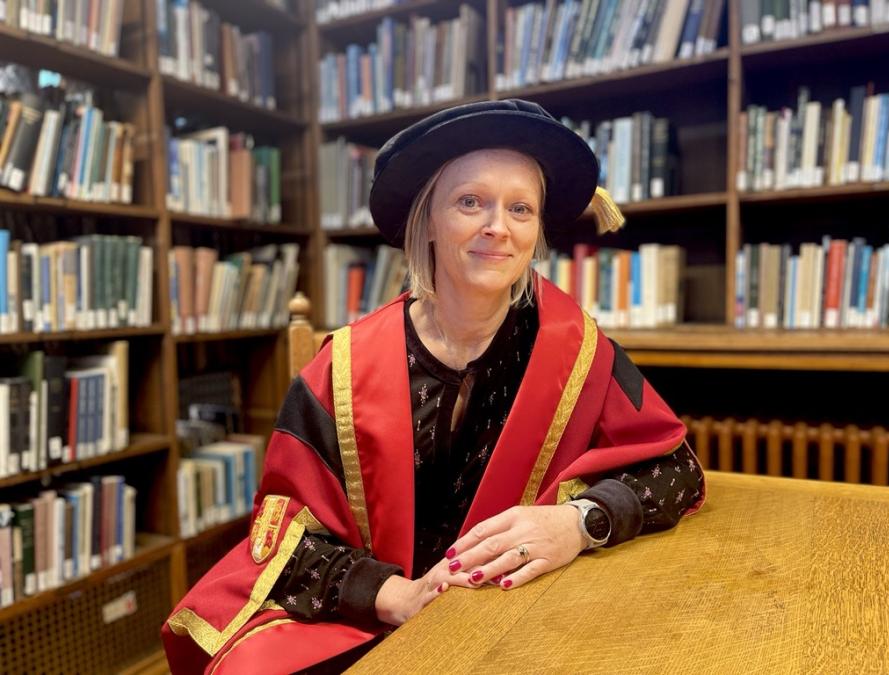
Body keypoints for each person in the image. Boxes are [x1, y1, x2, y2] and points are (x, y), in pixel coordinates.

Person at [162, 99, 706, 674]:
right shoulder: (342, 369)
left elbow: (676, 470)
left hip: (519, 614)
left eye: (520, 208)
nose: (498, 226)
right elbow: (282, 536)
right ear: (427, 222)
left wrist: (577, 524)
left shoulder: (578, 351)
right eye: (470, 201)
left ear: (537, 232)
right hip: (374, 620)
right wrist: (394, 594)